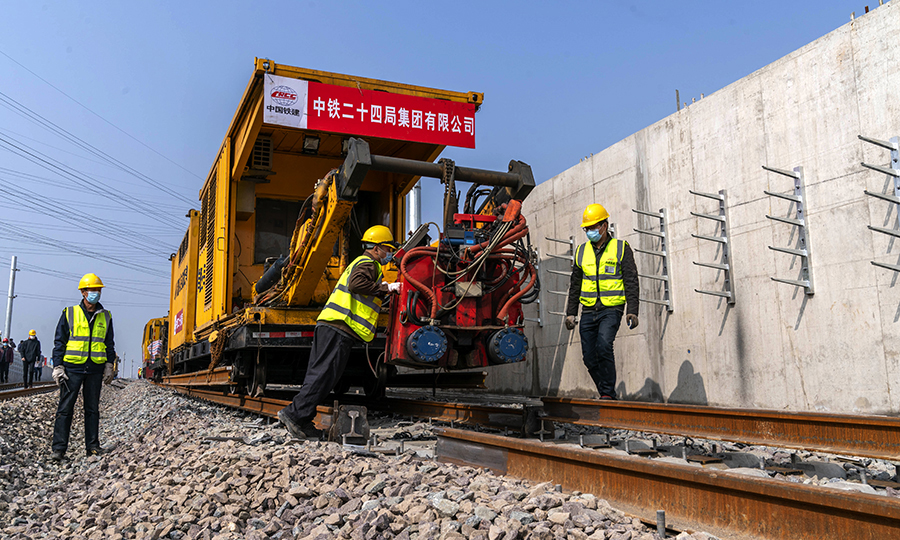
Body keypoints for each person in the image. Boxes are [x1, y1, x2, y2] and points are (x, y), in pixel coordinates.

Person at [278, 225, 400, 439]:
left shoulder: (361, 262)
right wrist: (386, 288)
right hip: (338, 326)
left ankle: (302, 419)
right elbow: (356, 284)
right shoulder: (368, 263)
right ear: (377, 248)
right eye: (387, 249)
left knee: (322, 375)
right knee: (324, 375)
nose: (388, 254)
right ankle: (294, 415)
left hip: (334, 326)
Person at [565, 204, 639, 400]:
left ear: (604, 226)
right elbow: (575, 285)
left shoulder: (621, 248)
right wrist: (570, 312)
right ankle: (607, 392)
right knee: (589, 356)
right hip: (588, 310)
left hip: (612, 308)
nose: (589, 232)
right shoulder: (581, 251)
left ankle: (607, 394)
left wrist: (633, 310)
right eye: (587, 229)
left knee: (604, 345)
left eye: (593, 228)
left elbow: (631, 280)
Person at [50, 273, 117, 461]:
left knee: (92, 409)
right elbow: (60, 342)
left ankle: (93, 447)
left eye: (98, 290)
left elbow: (109, 343)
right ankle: (59, 449)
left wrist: (109, 364)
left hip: (95, 369)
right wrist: (58, 366)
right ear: (83, 292)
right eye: (92, 290)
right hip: (72, 369)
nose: (95, 293)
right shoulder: (69, 313)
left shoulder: (106, 316)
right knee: (65, 409)